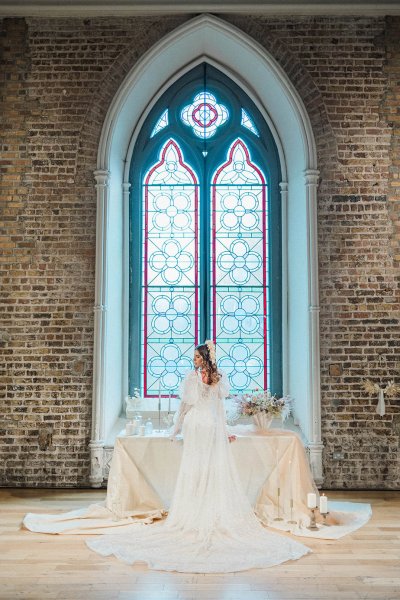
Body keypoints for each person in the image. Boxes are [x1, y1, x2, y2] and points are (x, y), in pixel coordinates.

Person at [86, 341, 311, 572]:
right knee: (209, 466)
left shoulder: (193, 378)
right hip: (210, 424)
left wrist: (176, 429)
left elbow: (185, 406)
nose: (193, 360)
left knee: (196, 466)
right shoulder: (217, 377)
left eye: (196, 357)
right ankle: (205, 509)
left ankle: (193, 511)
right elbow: (219, 409)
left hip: (197, 424)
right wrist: (224, 430)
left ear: (204, 358)